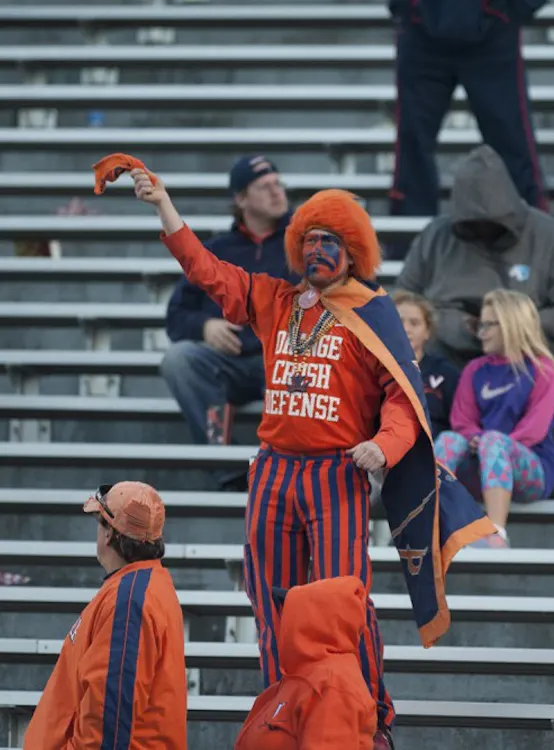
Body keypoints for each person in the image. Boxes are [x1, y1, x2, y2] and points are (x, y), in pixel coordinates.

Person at [115, 156, 494, 750]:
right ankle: (286, 714)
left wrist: (384, 445)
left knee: (342, 603)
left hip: (335, 475)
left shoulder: (373, 310)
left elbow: (403, 396)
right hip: (272, 472)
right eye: (310, 238)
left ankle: (369, 720)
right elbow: (206, 270)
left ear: (354, 249)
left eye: (330, 240)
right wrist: (165, 207)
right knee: (269, 603)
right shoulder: (273, 297)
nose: (318, 249)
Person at [161, 154, 298, 490]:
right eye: (264, 187)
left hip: (285, 361)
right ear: (241, 199)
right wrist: (205, 328)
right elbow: (176, 316)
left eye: (278, 184)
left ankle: (292, 471)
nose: (277, 192)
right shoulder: (217, 249)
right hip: (230, 364)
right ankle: (225, 466)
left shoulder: (305, 241)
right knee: (179, 359)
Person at [396, 144, 554, 375]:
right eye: (473, 223)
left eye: (490, 223)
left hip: (524, 358)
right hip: (447, 357)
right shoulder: (436, 236)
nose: (481, 229)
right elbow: (403, 300)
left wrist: (510, 323)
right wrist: (455, 325)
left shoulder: (553, 238)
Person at [24, 482, 187, 749]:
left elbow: (107, 718)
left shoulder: (130, 599)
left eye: (100, 524)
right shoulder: (139, 587)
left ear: (110, 534)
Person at [387, 0, 548, 257]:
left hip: (491, 30)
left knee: (511, 142)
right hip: (423, 30)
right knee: (412, 145)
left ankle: (535, 247)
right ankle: (409, 253)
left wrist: (511, 9)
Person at [435, 289, 554, 549]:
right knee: (448, 439)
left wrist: (489, 444)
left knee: (494, 441)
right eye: (480, 325)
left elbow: (534, 429)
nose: (482, 332)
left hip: (530, 468)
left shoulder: (542, 369)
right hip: (482, 463)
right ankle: (431, 526)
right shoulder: (475, 370)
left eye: (488, 325)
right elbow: (462, 421)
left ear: (511, 325)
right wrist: (477, 440)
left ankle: (495, 533)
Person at [235, 576, 378, 750]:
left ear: (317, 621)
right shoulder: (298, 680)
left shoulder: (332, 684)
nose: (284, 619)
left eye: (293, 611)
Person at [393, 290, 460, 437]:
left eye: (414, 323)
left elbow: (460, 425)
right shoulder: (370, 369)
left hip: (435, 453)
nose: (406, 329)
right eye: (399, 321)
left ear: (427, 332)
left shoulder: (446, 373)